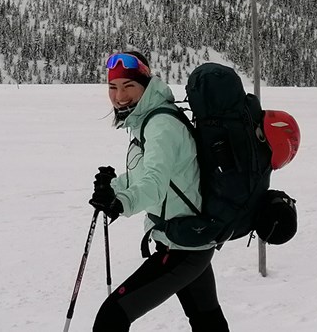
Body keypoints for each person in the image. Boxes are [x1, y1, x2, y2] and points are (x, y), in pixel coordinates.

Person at [89, 51, 229, 332]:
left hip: (184, 246)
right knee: (207, 321)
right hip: (189, 238)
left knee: (112, 317)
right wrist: (113, 187)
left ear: (146, 84)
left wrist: (120, 203)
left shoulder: (160, 125)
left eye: (129, 86)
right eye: (113, 87)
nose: (120, 96)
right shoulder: (149, 119)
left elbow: (154, 185)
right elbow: (149, 174)